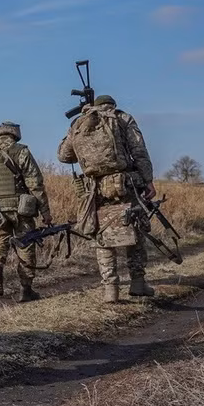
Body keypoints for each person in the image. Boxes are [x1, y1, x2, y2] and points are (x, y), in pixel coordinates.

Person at [58, 95, 157, 303]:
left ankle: (110, 289)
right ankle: (138, 283)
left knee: (101, 235)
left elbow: (64, 156)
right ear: (112, 105)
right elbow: (139, 150)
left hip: (94, 189)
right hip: (126, 183)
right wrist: (148, 180)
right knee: (135, 229)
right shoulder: (123, 118)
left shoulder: (80, 122)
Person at [0, 122, 52, 302]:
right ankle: (26, 289)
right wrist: (45, 211)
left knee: (0, 241)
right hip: (21, 208)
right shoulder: (22, 151)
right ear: (15, 134)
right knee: (26, 244)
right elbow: (35, 183)